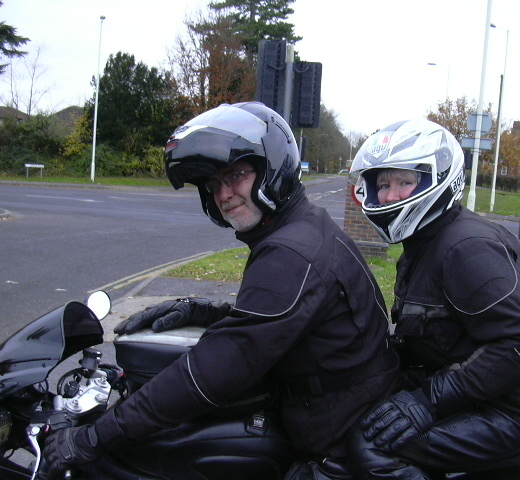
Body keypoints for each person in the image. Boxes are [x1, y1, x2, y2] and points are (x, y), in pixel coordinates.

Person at [44, 102, 400, 479]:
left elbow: (211, 372)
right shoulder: (301, 227)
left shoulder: (291, 253)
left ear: (271, 168)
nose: (224, 194)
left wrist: (94, 438)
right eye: (215, 185)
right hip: (341, 416)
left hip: (342, 447)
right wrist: (200, 310)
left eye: (235, 176)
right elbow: (275, 323)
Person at [345, 118, 520, 479]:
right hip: (471, 392)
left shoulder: (468, 248)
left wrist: (426, 401)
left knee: (371, 445)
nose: (390, 196)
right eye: (383, 184)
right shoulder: (423, 243)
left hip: (510, 411)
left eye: (404, 182)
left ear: (438, 180)